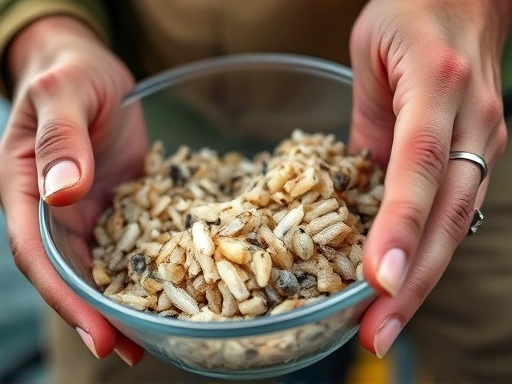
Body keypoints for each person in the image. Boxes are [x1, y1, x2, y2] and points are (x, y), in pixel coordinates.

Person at [0, 0, 511, 382]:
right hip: (131, 131)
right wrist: (45, 30)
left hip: (417, 104)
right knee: (115, 368)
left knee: (490, 349)